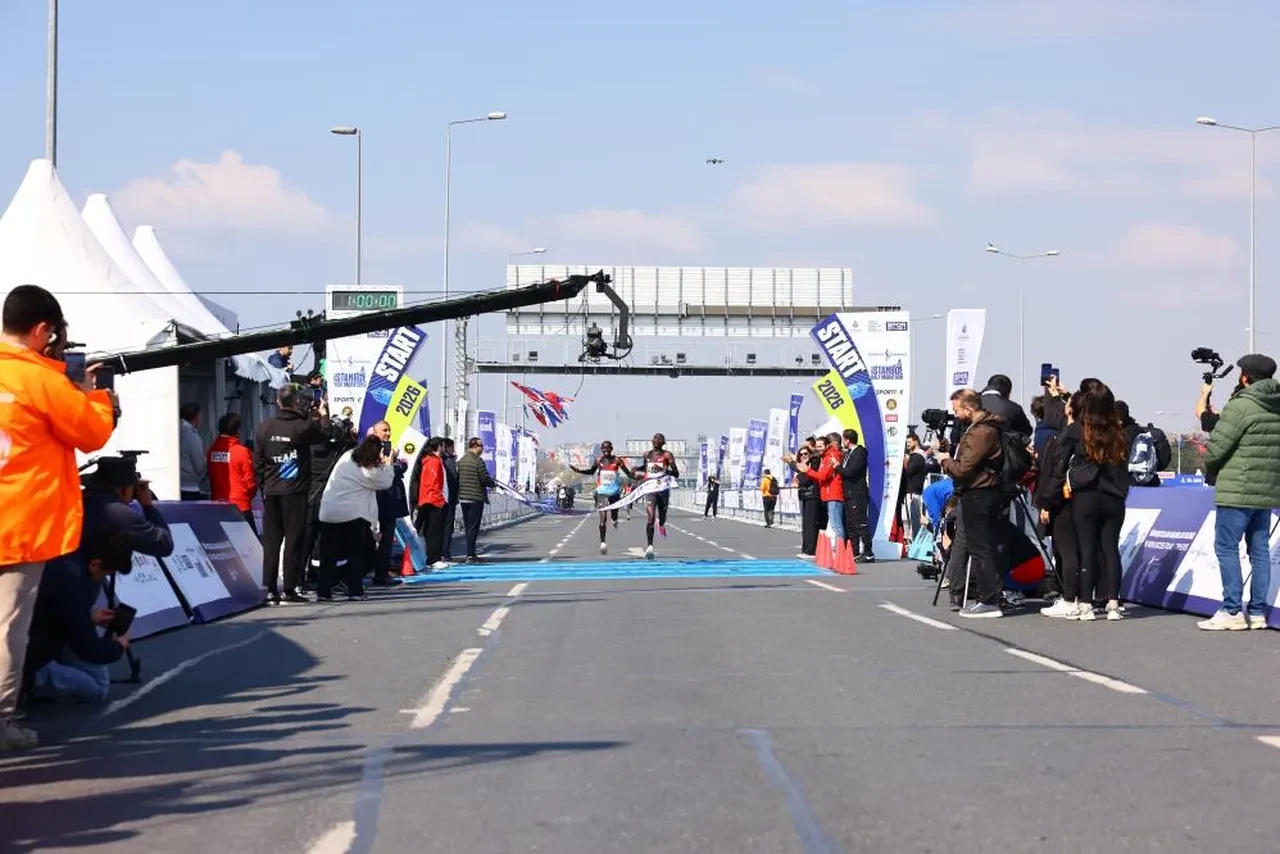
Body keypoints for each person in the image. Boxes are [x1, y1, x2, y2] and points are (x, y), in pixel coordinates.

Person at [0, 284, 117, 751]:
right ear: (43, 331)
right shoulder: (40, 381)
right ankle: (3, 720)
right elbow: (92, 433)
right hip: (21, 526)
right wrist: (97, 394)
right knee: (8, 628)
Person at [1200, 354, 1280, 630]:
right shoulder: (1276, 405)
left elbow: (1217, 448)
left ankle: (1232, 609)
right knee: (1259, 551)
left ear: (1245, 376)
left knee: (1226, 546)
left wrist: (1211, 463)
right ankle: (1257, 612)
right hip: (1267, 490)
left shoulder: (1241, 405)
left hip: (1238, 489)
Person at [23, 530, 134, 705]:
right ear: (95, 565)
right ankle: (31, 679)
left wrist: (88, 615)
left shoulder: (64, 556)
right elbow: (89, 649)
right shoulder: (73, 586)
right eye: (105, 574)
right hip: (32, 649)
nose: (102, 579)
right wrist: (118, 645)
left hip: (33, 630)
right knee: (97, 688)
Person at [254, 384, 331, 606]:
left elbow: (257, 461)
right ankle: (289, 589)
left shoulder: (264, 427)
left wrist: (264, 485)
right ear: (296, 402)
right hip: (295, 492)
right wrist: (323, 415)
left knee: (271, 542)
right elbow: (325, 434)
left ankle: (269, 590)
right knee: (294, 541)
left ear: (278, 402)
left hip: (271, 491)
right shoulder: (302, 427)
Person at [1063, 385, 1130, 621]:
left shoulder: (1078, 431)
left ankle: (1086, 605)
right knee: (1111, 549)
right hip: (1114, 497)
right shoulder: (1119, 432)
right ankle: (1113, 603)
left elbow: (1060, 459)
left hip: (1087, 496)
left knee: (1087, 549)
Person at [942, 389, 1008, 618]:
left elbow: (964, 468)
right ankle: (988, 598)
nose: (955, 414)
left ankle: (989, 600)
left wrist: (946, 461)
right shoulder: (980, 429)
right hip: (980, 490)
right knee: (982, 547)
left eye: (957, 410)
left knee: (980, 548)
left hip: (980, 492)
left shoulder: (981, 432)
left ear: (968, 408)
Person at [316, 435, 393, 601]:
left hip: (329, 511)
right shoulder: (368, 470)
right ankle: (355, 591)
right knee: (356, 554)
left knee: (328, 555)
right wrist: (388, 464)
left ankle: (323, 592)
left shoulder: (348, 456)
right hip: (353, 515)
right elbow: (385, 482)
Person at [1037, 392, 1088, 619]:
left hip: (1063, 500)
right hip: (1078, 500)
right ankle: (1079, 598)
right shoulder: (1084, 432)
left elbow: (1057, 474)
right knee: (1075, 551)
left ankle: (1069, 599)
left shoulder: (1069, 435)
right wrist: (1054, 393)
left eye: (1067, 403)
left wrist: (1047, 503)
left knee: (1066, 551)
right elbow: (1053, 415)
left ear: (1071, 410)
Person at [81, 456, 174, 559]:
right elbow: (163, 544)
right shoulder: (118, 514)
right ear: (124, 490)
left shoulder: (75, 504)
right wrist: (148, 506)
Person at [571, 441, 634, 554]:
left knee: (614, 515)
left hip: (614, 493)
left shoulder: (617, 461)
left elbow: (628, 473)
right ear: (601, 449)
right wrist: (578, 470)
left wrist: (637, 476)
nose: (606, 450)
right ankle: (603, 543)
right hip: (602, 493)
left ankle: (614, 520)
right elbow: (591, 471)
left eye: (608, 448)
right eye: (604, 448)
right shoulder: (599, 460)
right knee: (603, 518)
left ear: (611, 448)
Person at [368, 422, 406, 587]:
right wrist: (391, 464)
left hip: (388, 499)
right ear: (375, 432)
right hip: (376, 498)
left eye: (389, 430)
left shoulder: (388, 450)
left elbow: (395, 469)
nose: (388, 433)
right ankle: (376, 572)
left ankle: (382, 572)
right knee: (372, 537)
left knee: (387, 538)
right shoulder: (370, 450)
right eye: (384, 430)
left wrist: (397, 462)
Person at [787, 434, 844, 542]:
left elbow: (823, 475)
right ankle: (838, 549)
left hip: (833, 495)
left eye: (820, 447)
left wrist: (807, 470)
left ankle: (840, 551)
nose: (818, 449)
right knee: (833, 525)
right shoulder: (824, 457)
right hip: (827, 495)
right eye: (817, 447)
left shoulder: (832, 456)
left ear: (828, 445)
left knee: (836, 526)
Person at [208, 413, 258, 533]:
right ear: (238, 431)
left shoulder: (212, 451)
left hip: (218, 505)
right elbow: (250, 482)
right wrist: (247, 496)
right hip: (240, 506)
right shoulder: (242, 452)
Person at [457, 437, 498, 562]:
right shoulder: (478, 461)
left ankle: (470, 553)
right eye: (481, 446)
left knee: (468, 526)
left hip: (464, 498)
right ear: (475, 446)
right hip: (475, 498)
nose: (483, 449)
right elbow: (484, 478)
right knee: (473, 528)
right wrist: (493, 484)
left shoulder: (461, 461)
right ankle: (470, 554)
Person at [638, 433, 679, 559]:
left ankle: (661, 523)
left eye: (659, 439)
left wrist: (666, 471)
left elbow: (676, 473)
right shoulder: (647, 455)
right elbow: (646, 468)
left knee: (662, 518)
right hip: (650, 490)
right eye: (655, 438)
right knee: (650, 517)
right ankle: (650, 546)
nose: (656, 440)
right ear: (652, 441)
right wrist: (636, 469)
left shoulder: (667, 455)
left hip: (663, 490)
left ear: (663, 442)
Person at [839, 429, 874, 561]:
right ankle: (854, 551)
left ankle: (868, 551)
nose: (843, 442)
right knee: (851, 524)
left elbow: (850, 472)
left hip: (857, 493)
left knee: (860, 522)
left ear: (847, 440)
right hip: (848, 493)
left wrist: (837, 467)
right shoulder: (848, 454)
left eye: (843, 439)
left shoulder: (859, 453)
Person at [415, 437, 449, 570]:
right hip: (433, 500)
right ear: (439, 446)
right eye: (443, 446)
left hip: (430, 499)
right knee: (434, 531)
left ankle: (433, 557)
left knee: (430, 530)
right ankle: (433, 558)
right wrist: (439, 500)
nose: (444, 448)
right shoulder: (433, 462)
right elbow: (433, 482)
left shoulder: (432, 461)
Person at [898, 433, 928, 541]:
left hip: (912, 491)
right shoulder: (918, 456)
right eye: (907, 442)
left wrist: (905, 461)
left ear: (916, 441)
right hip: (914, 490)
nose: (907, 444)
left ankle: (913, 539)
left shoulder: (917, 457)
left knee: (910, 517)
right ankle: (912, 539)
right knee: (910, 517)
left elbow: (909, 471)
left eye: (909, 442)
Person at [793, 447, 820, 558]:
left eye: (806, 454)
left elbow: (806, 479)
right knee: (806, 524)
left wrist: (799, 480)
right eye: (801, 454)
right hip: (805, 496)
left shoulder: (813, 464)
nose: (803, 456)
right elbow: (799, 478)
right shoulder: (803, 467)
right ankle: (806, 549)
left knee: (811, 524)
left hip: (813, 495)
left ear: (810, 454)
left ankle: (810, 551)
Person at [178, 402, 208, 500]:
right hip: (189, 487)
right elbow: (199, 466)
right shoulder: (191, 435)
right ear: (196, 416)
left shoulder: (175, 430)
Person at [440, 438, 461, 562]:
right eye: (452, 447)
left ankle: (441, 551)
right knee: (447, 526)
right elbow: (453, 479)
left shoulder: (442, 459)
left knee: (441, 526)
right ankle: (445, 552)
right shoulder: (448, 461)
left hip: (441, 497)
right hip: (449, 498)